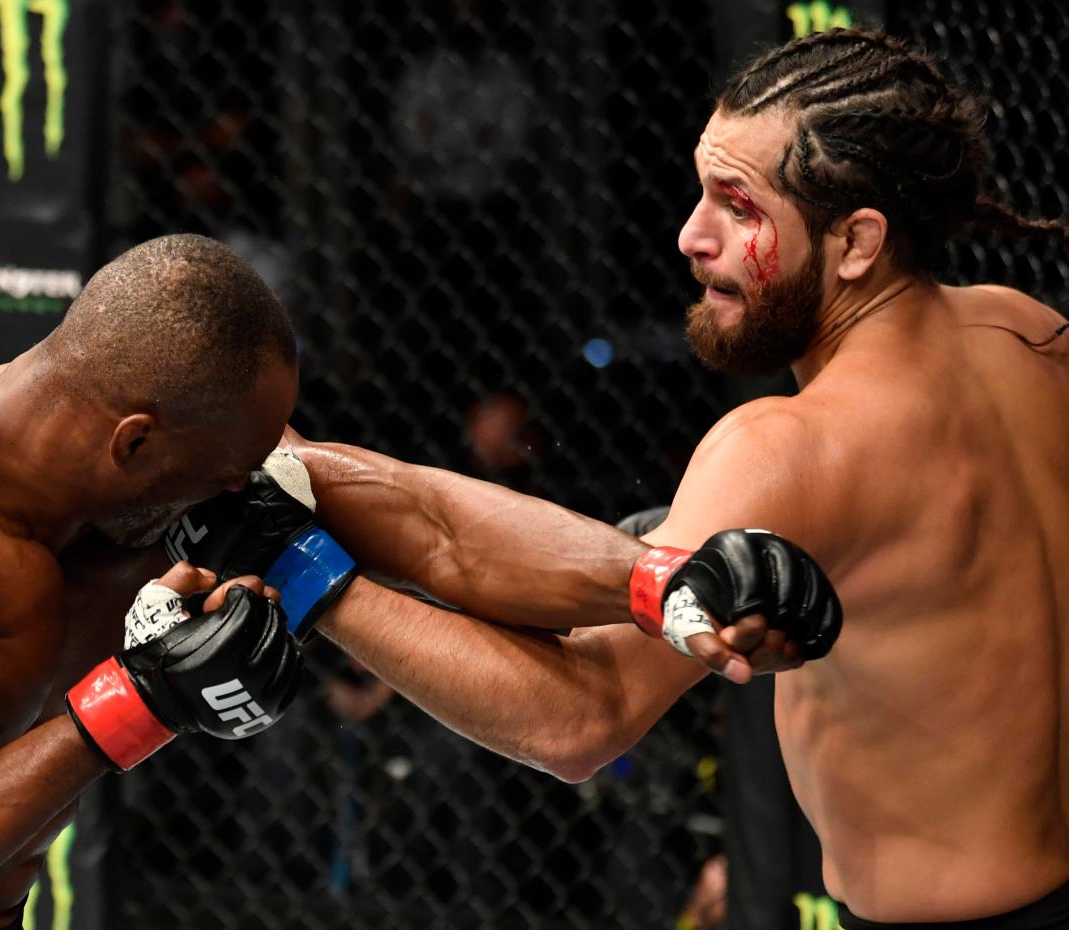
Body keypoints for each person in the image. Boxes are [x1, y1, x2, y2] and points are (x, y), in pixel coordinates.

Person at [180, 28, 1069, 929]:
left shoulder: (787, 448)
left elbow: (580, 720)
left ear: (857, 242)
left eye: (739, 206)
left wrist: (304, 576)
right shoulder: (1028, 337)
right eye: (701, 192)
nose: (692, 236)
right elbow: (451, 532)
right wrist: (294, 472)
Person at [0, 233, 306, 930]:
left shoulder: (90, 484)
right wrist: (143, 699)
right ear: (134, 443)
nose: (235, 491)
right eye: (223, 471)